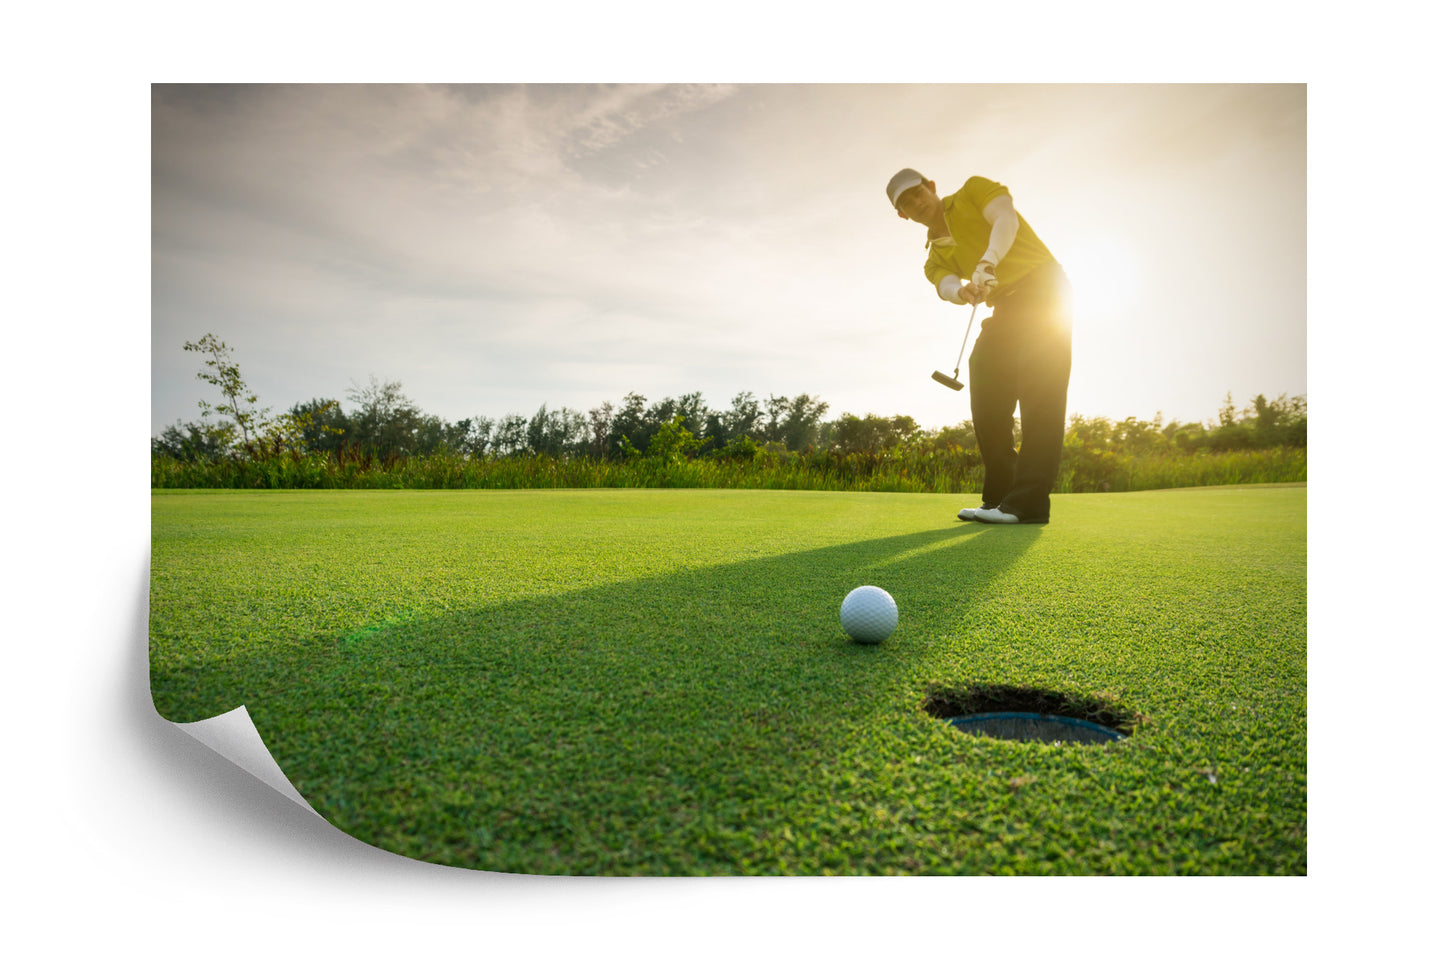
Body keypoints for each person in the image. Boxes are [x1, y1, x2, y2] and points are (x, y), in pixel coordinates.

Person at [886, 168, 1074, 524]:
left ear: (931, 187)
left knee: (1040, 392)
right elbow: (944, 285)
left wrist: (988, 260)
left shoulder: (973, 190)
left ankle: (1029, 503)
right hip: (1004, 306)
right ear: (902, 215)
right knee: (984, 378)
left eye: (917, 193)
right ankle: (1000, 497)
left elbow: (1005, 218)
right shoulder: (934, 257)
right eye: (906, 204)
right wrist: (963, 291)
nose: (915, 203)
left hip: (1045, 289)